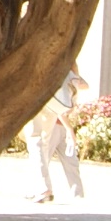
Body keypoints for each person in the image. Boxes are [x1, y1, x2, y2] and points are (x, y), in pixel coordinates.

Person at [29, 65, 88, 203]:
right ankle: (41, 188)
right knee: (45, 150)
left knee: (38, 146)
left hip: (45, 108)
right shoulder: (69, 70)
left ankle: (42, 188)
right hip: (54, 114)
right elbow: (82, 84)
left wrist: (69, 129)